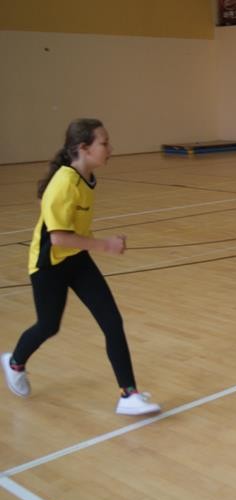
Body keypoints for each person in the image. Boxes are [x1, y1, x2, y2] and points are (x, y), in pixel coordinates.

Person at [1, 119, 161, 416]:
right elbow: (58, 238)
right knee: (48, 325)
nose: (110, 148)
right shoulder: (64, 183)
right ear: (84, 148)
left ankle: (128, 394)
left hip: (76, 258)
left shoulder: (86, 178)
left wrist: (95, 246)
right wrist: (106, 245)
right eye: (104, 143)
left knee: (112, 322)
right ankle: (14, 362)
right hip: (49, 265)